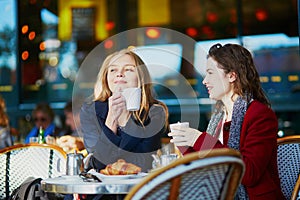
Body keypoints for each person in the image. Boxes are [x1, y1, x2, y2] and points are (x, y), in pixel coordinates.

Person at [168, 43, 285, 199]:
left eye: (210, 73)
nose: (204, 81)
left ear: (232, 75)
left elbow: (249, 173)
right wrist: (184, 144)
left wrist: (199, 139)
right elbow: (205, 166)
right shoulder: (219, 116)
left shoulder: (260, 114)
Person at [80, 47, 169, 173]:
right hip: (101, 189)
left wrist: (127, 115)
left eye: (128, 69)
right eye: (113, 70)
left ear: (141, 78)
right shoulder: (90, 111)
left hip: (139, 188)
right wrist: (111, 119)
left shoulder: (154, 112)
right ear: (106, 78)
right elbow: (98, 163)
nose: (120, 73)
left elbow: (144, 162)